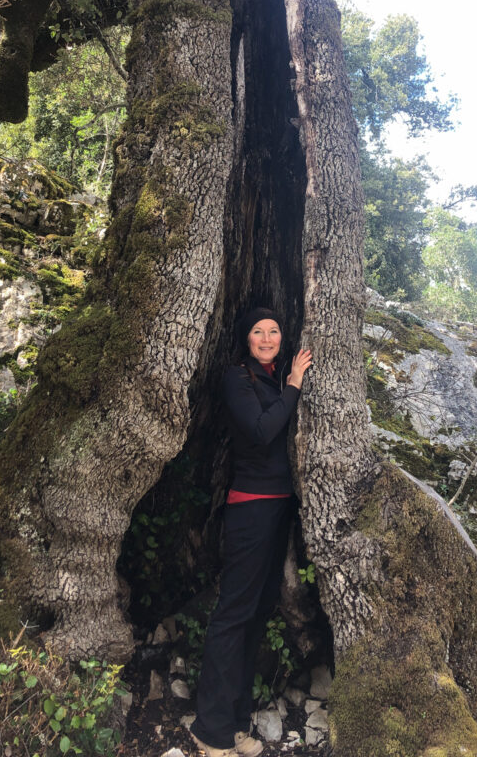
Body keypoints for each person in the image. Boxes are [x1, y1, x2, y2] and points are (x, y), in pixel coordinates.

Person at [190, 308, 312, 757]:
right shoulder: (236, 378)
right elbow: (261, 432)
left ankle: (235, 724)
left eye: (274, 330)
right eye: (258, 332)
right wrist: (296, 382)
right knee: (234, 614)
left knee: (258, 612)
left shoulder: (276, 377)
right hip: (250, 507)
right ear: (246, 339)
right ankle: (209, 731)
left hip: (280, 506)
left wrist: (290, 380)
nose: (267, 337)